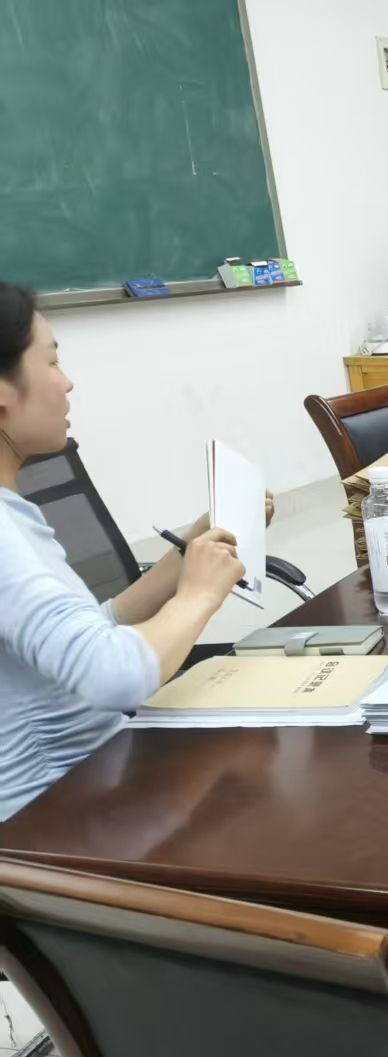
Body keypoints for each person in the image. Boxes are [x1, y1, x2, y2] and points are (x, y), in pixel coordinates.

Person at [0, 281, 248, 820]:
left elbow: (90, 634)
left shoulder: (12, 511)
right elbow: (112, 673)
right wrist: (197, 597)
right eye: (51, 362)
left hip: (100, 783)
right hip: (53, 826)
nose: (67, 382)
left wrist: (187, 555)